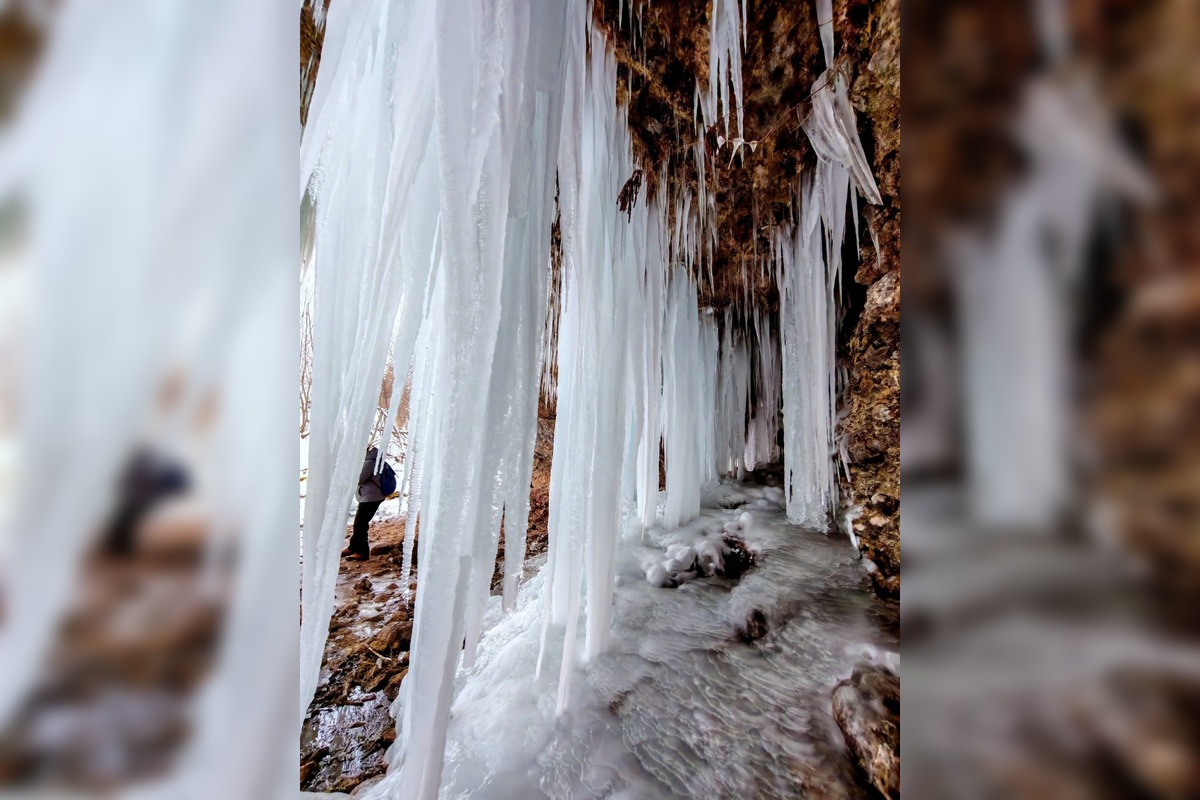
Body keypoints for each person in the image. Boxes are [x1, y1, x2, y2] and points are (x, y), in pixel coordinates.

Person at [343, 445, 385, 561]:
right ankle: (353, 547)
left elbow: (359, 479)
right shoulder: (374, 458)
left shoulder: (371, 461)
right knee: (359, 523)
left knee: (360, 524)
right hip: (371, 495)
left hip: (371, 497)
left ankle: (362, 552)